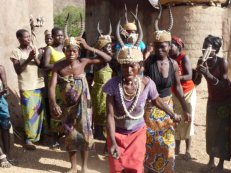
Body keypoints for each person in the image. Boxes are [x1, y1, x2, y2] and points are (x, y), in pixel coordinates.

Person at [102, 17, 181, 173]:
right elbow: (110, 116)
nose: (129, 70)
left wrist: (173, 114)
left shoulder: (147, 83)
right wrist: (111, 142)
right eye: (125, 66)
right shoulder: (112, 85)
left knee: (136, 168)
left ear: (140, 66)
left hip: (137, 133)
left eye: (133, 66)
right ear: (120, 66)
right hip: (117, 133)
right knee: (116, 169)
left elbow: (157, 100)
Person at [49, 36, 112, 173]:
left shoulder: (83, 62)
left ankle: (84, 167)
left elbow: (108, 59)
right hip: (67, 107)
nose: (71, 53)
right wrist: (54, 103)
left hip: (84, 107)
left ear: (78, 52)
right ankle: (73, 167)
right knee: (70, 135)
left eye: (74, 51)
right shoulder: (58, 66)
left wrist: (88, 47)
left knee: (85, 134)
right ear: (64, 51)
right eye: (68, 51)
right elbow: (52, 86)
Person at [143, 4, 190, 172]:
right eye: (157, 46)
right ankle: (150, 169)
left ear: (169, 46)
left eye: (163, 46)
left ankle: (165, 169)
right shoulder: (149, 62)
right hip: (150, 108)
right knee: (151, 141)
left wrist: (185, 109)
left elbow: (177, 87)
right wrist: (144, 56)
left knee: (167, 141)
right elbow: (138, 78)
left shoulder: (173, 65)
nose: (160, 49)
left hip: (168, 106)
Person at [196, 35, 231, 173]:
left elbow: (224, 84)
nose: (204, 48)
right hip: (212, 99)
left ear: (215, 49)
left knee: (222, 131)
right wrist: (197, 74)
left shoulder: (222, 62)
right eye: (204, 45)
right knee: (211, 131)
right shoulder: (202, 60)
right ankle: (210, 162)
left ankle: (220, 165)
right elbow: (196, 82)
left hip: (225, 100)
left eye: (208, 46)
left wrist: (210, 76)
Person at [10, 29, 47, 150]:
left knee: (39, 113)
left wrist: (35, 56)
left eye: (29, 36)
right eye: (26, 37)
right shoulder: (16, 52)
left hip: (39, 84)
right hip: (26, 86)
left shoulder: (33, 48)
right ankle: (28, 139)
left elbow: (40, 65)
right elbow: (18, 70)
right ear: (19, 39)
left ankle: (38, 137)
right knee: (28, 114)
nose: (29, 38)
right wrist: (28, 59)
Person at [169, 36, 196, 160]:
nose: (169, 48)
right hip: (175, 92)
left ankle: (188, 151)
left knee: (187, 118)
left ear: (178, 47)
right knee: (176, 119)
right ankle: (177, 148)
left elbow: (189, 75)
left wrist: (176, 78)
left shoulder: (184, 57)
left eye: (171, 46)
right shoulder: (169, 59)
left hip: (187, 91)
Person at [43, 27, 65, 149]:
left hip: (65, 83)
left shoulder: (65, 49)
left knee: (65, 109)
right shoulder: (49, 49)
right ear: (53, 36)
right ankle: (55, 139)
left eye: (62, 35)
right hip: (54, 82)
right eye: (57, 35)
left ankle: (63, 136)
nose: (60, 37)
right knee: (55, 109)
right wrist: (59, 66)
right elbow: (45, 65)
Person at [92, 23, 113, 141]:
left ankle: (101, 133)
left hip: (107, 90)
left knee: (105, 111)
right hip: (100, 89)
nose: (110, 49)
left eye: (110, 46)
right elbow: (106, 57)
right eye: (107, 47)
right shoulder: (101, 60)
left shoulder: (109, 59)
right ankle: (99, 133)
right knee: (100, 111)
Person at [0, 65, 18, 167]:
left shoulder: (1, 68)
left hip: (1, 104)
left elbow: (5, 87)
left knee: (5, 128)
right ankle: (2, 157)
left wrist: (5, 92)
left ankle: (8, 153)